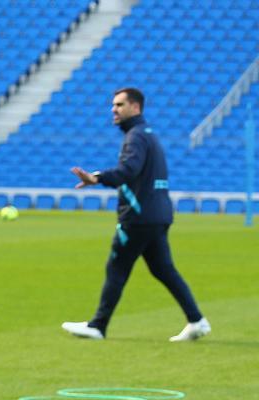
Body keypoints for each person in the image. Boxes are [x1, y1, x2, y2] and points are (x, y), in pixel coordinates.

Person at [64, 87, 209, 342]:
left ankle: (98, 325)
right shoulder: (148, 135)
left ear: (135, 107)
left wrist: (96, 177)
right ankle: (197, 320)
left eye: (119, 105)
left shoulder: (136, 137)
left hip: (139, 217)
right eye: (113, 105)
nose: (114, 109)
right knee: (163, 269)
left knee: (117, 268)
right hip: (157, 214)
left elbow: (128, 171)